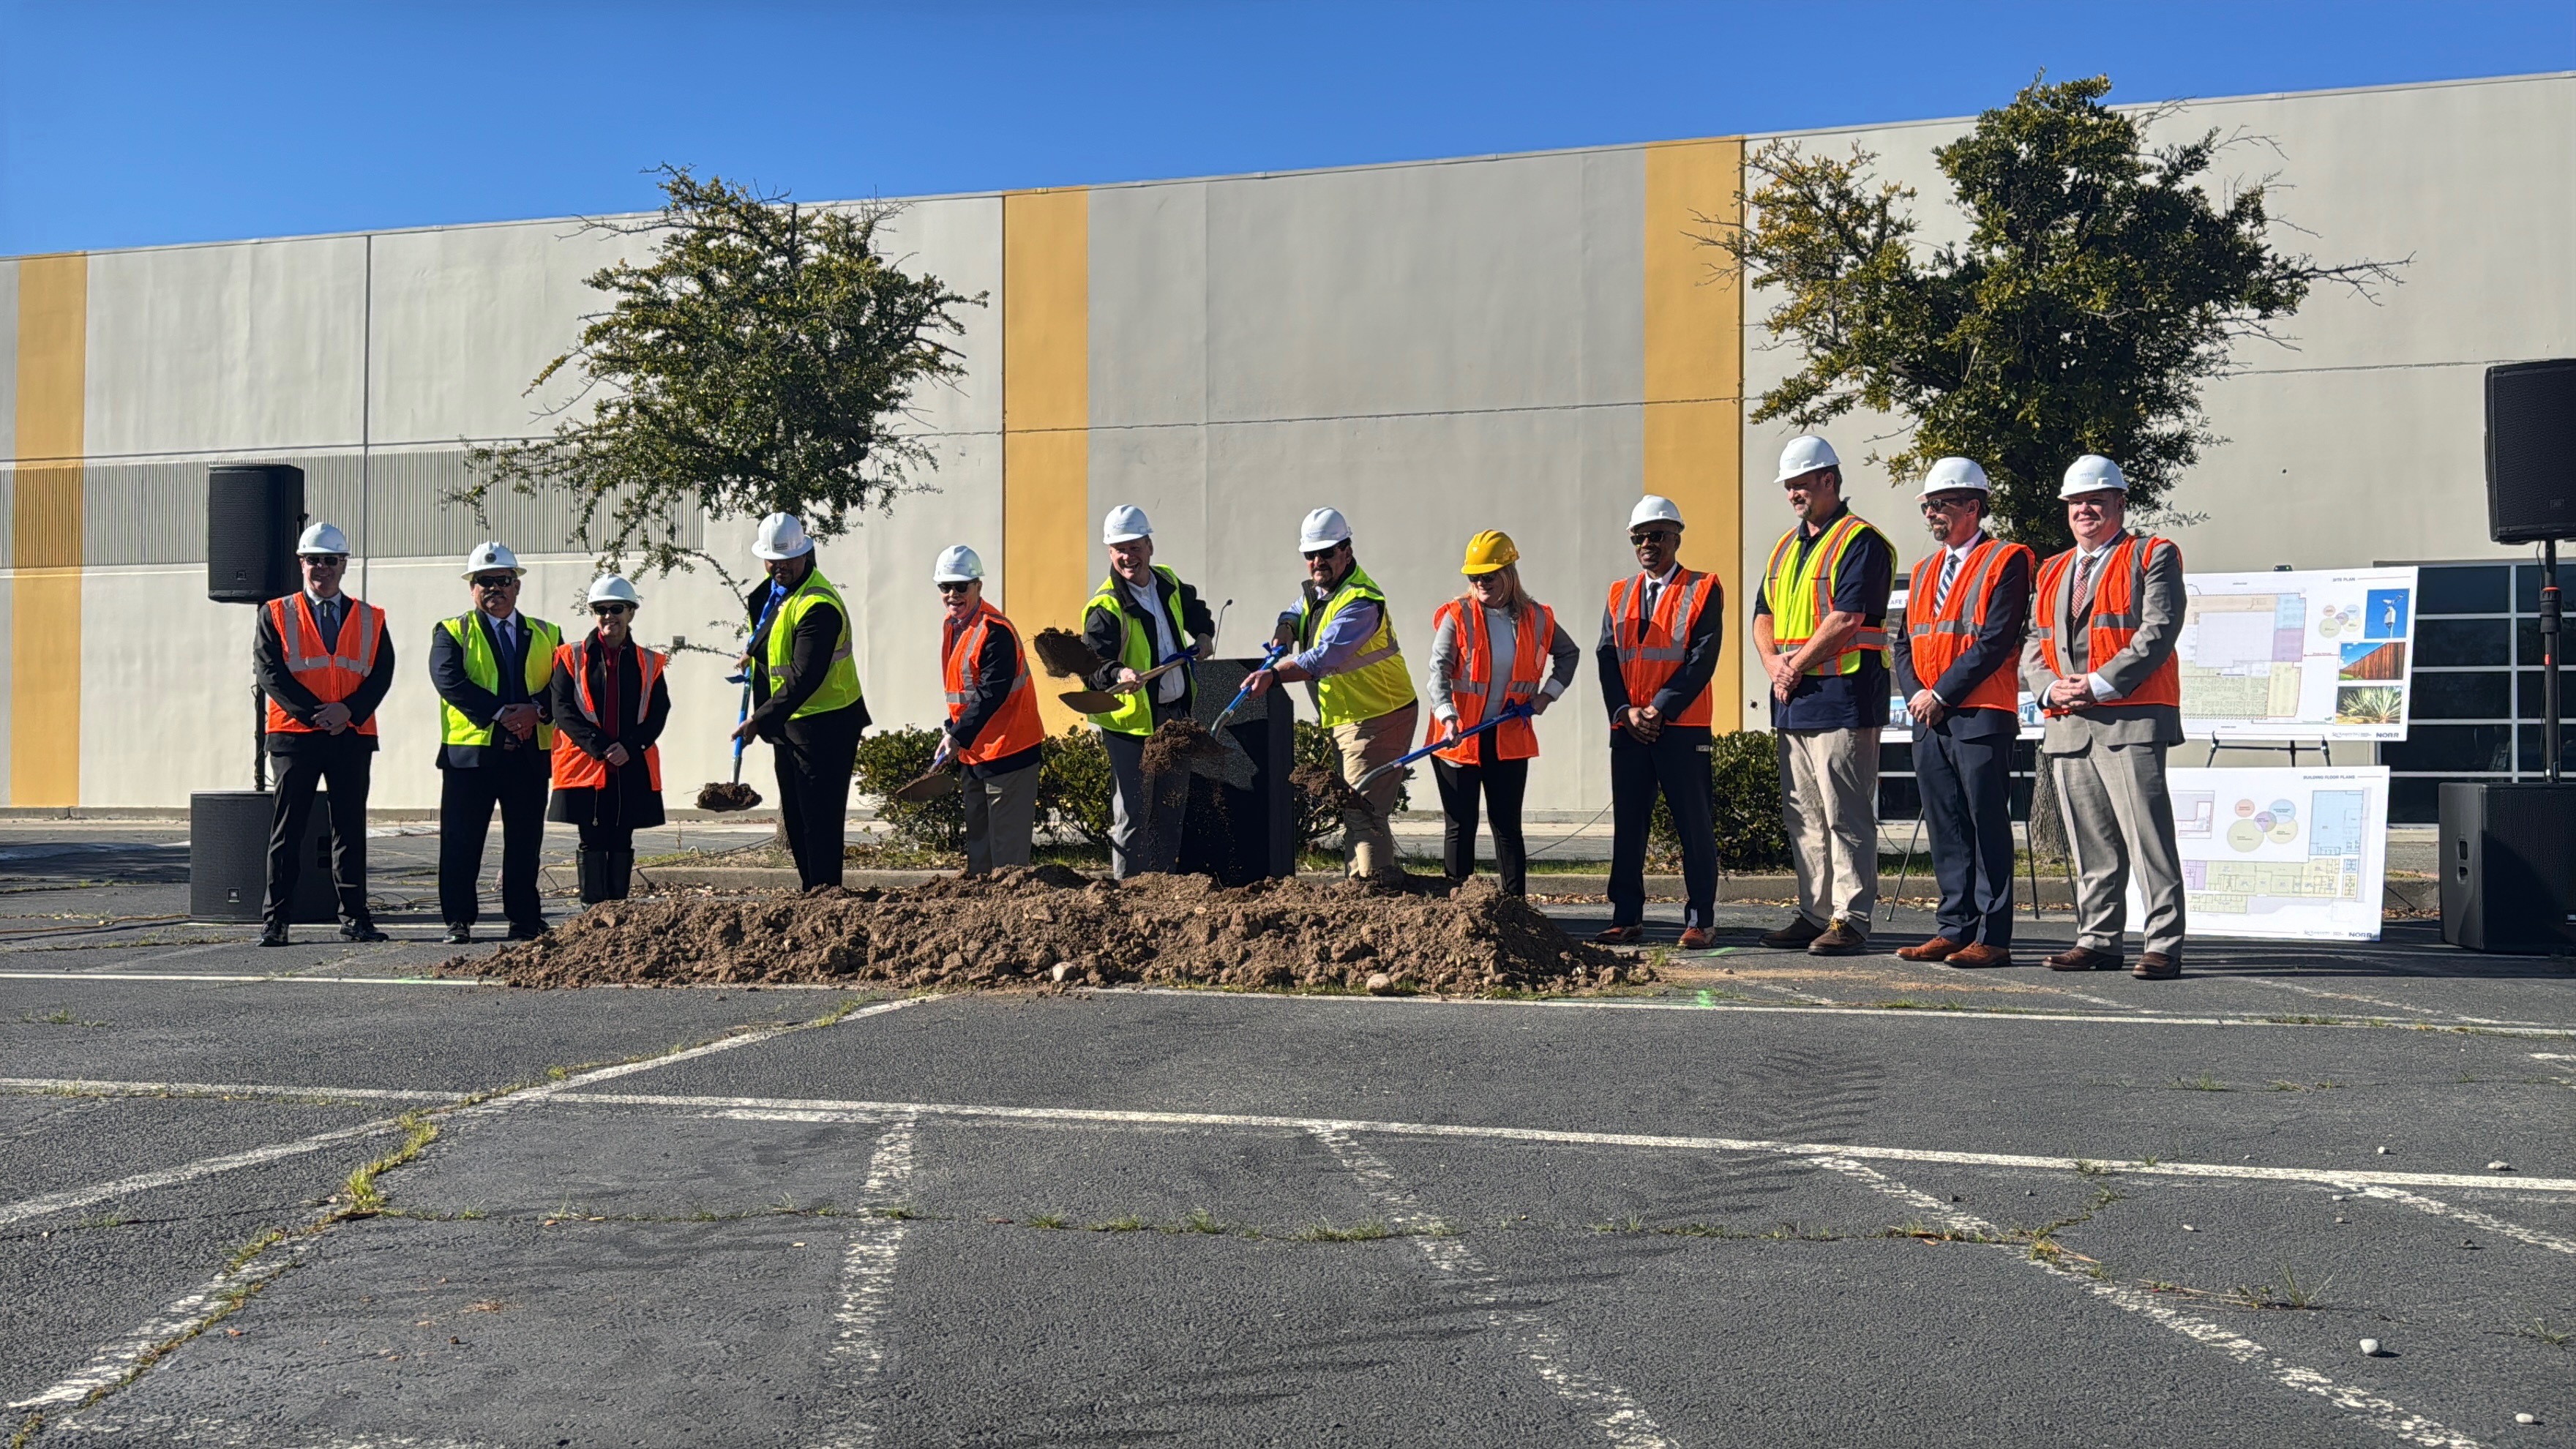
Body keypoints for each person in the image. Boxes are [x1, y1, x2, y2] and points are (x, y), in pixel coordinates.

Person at [2020, 455, 2189, 979]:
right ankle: (2098, 939)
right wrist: (2049, 688)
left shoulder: (2152, 555)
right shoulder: (2051, 571)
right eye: (2075, 503)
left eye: (2095, 500)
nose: (2084, 510)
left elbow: (2158, 630)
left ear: (2120, 503)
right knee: (2090, 843)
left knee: (2147, 839)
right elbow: (2032, 642)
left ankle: (2162, 942)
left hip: (2131, 717)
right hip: (2069, 722)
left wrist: (2095, 683)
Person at [1753, 435, 1896, 956]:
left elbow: (1847, 618)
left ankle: (1851, 917)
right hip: (1795, 699)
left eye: (1802, 484)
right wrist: (1774, 663)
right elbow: (1763, 615)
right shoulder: (1785, 547)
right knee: (1806, 817)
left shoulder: (1861, 542)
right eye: (1789, 486)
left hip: (1844, 695)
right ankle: (1815, 911)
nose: (1794, 494)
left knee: (1845, 813)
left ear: (1829, 481)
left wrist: (1789, 665)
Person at [1889, 458, 2033, 968]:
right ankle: (1954, 928)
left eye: (1940, 504)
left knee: (1986, 823)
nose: (1931, 514)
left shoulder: (2008, 559)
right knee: (1947, 826)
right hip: (1929, 715)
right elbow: (1904, 641)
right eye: (1927, 505)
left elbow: (1995, 639)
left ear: (1973, 506)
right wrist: (1915, 695)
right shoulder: (1927, 569)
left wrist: (1940, 693)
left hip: (1979, 711)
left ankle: (1993, 937)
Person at [1248, 508, 1419, 884]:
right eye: (1310, 555)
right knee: (1359, 809)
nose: (1316, 562)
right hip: (1352, 716)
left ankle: (1369, 897)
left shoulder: (1360, 602)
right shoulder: (1322, 591)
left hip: (1378, 716)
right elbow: (1295, 611)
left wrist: (1273, 675)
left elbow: (1323, 657)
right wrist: (1284, 631)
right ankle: (1367, 892)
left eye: (1325, 552)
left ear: (1347, 550)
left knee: (1363, 809)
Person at [252, 522, 394, 947]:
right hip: (296, 735)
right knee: (288, 829)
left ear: (344, 565)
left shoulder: (371, 617)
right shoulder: (275, 612)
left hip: (351, 735)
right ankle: (276, 920)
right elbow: (269, 673)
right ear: (302, 563)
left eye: (331, 560)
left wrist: (347, 711)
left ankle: (355, 918)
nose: (322, 568)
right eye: (314, 559)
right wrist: (318, 715)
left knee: (349, 829)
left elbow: (382, 672)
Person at [1595, 496, 1725, 947]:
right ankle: (1626, 915)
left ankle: (1700, 919)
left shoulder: (1704, 587)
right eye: (1639, 537)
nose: (1647, 544)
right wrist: (1624, 712)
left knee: (1694, 823)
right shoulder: (1618, 593)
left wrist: (1659, 709)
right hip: (1630, 728)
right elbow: (1607, 657)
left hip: (1682, 727)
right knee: (1629, 826)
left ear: (1676, 537)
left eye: (1657, 535)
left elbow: (1702, 658)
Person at [1426, 531, 1579, 897]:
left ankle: (1516, 909)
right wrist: (1449, 717)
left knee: (1507, 826)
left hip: (1508, 735)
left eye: (1489, 576)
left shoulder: (1537, 618)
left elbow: (1569, 654)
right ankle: (1457, 909)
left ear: (1509, 573)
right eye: (1474, 577)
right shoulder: (1457, 615)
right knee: (1460, 826)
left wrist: (1547, 696)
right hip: (1458, 738)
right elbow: (1438, 672)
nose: (1481, 584)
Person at [732, 513, 872, 891]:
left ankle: (826, 894)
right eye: (773, 560)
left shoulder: (818, 605)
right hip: (791, 723)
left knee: (820, 818)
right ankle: (812, 891)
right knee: (796, 816)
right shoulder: (773, 595)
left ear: (806, 554)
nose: (781, 567)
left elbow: (804, 676)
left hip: (826, 723)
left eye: (788, 560)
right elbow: (773, 639)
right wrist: (753, 655)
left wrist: (759, 719)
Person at [430, 542, 561, 943]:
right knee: (461, 841)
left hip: (528, 755)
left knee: (525, 843)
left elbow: (562, 685)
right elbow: (449, 680)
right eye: (484, 581)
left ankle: (524, 918)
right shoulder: (452, 630)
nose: (494, 589)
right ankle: (458, 919)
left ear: (516, 586)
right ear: (472, 588)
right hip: (471, 757)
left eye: (502, 580)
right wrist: (503, 713)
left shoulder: (547, 632)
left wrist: (535, 711)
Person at [1080, 505, 1215, 878]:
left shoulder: (1167, 582)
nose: (1128, 557)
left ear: (1149, 546)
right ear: (1110, 553)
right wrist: (1118, 671)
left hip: (1174, 718)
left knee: (1171, 808)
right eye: (1119, 549)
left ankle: (1164, 888)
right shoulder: (1105, 607)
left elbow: (1197, 611)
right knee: (1134, 814)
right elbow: (1091, 667)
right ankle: (1129, 896)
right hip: (1132, 727)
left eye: (1135, 547)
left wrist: (1204, 635)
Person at [547, 575, 670, 905]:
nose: (608, 616)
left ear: (631, 612)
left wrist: (629, 747)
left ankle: (618, 910)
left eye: (616, 608)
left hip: (630, 765)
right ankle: (592, 911)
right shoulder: (568, 656)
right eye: (600, 609)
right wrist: (601, 747)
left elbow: (659, 711)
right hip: (587, 764)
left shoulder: (649, 661)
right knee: (592, 838)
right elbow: (563, 708)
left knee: (622, 839)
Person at [932, 545, 1045, 875]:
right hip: (976, 754)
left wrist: (957, 736)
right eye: (945, 587)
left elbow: (991, 694)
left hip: (1009, 753)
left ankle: (1012, 921)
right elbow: (964, 694)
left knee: (1007, 861)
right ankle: (982, 918)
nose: (953, 594)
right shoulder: (954, 627)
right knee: (980, 857)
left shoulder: (995, 631)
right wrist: (952, 732)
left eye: (961, 586)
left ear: (978, 586)